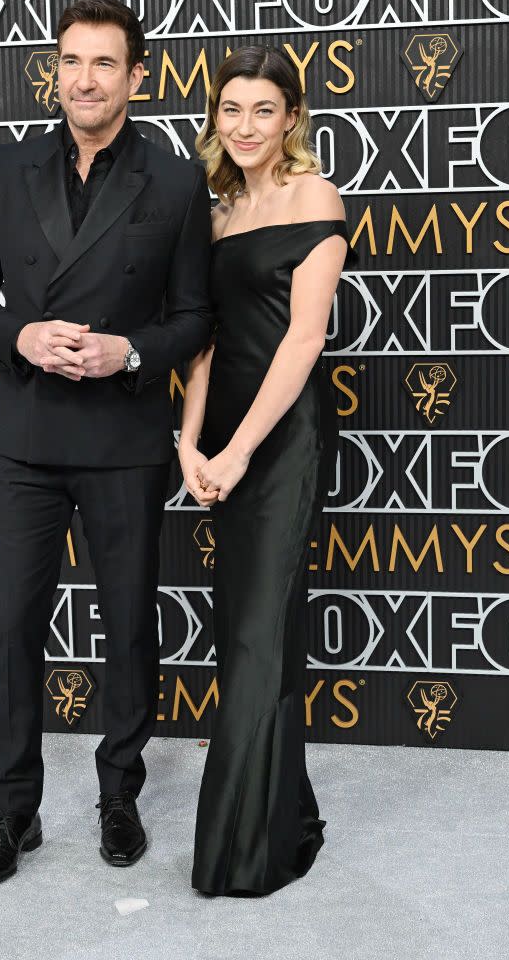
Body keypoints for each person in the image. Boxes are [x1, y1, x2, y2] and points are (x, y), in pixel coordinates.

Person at [0, 0, 212, 887]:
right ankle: (11, 812)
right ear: (53, 70)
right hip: (23, 435)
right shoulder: (4, 165)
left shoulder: (174, 180)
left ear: (137, 76)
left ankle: (119, 794)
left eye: (103, 63)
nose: (83, 78)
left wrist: (128, 350)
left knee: (128, 627)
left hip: (123, 435)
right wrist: (21, 336)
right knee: (15, 626)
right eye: (69, 61)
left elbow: (194, 317)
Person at [178, 45, 358, 897]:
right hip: (218, 444)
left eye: (262, 110)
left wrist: (241, 449)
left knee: (258, 635)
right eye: (229, 109)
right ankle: (284, 809)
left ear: (291, 118)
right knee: (244, 637)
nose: (244, 126)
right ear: (215, 118)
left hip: (280, 444)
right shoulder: (214, 215)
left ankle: (249, 853)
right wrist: (189, 445)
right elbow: (204, 343)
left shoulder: (314, 197)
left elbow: (303, 340)